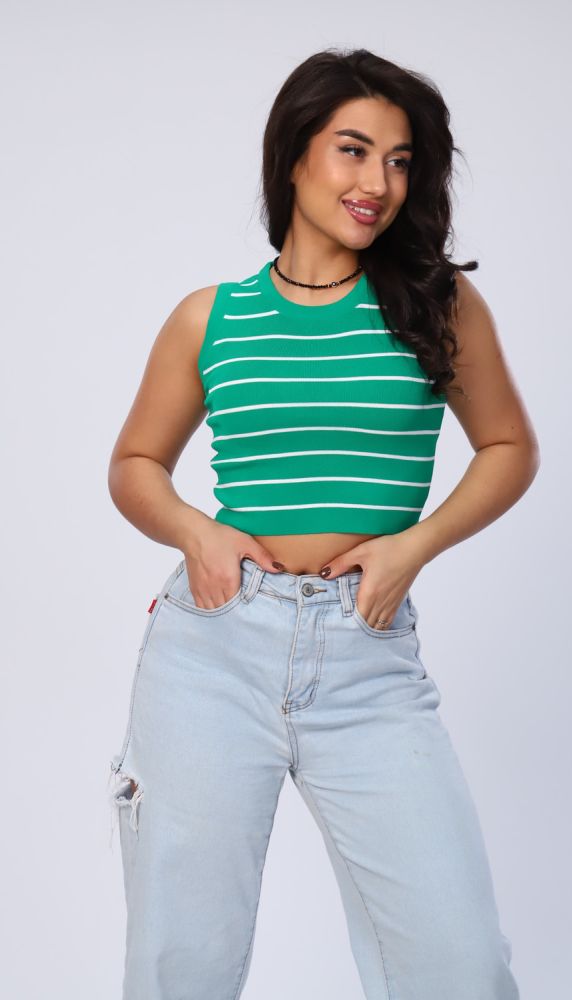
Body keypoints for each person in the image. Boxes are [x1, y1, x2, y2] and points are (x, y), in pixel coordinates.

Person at [107, 47, 538, 1000]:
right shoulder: (210, 318)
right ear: (293, 154)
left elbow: (508, 446)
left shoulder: (435, 304)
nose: (377, 182)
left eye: (399, 161)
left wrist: (413, 547)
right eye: (353, 150)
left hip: (366, 657)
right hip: (211, 650)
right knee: (182, 965)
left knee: (458, 964)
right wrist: (196, 532)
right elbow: (134, 466)